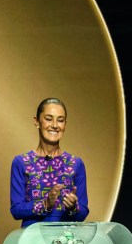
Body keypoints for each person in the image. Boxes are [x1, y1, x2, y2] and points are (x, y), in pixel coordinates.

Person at [9, 97, 90, 228]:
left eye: (60, 120)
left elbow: (83, 212)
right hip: (32, 243)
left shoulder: (76, 164)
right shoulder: (21, 162)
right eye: (48, 118)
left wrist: (73, 207)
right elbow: (16, 210)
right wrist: (45, 204)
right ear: (37, 121)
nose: (55, 125)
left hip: (65, 242)